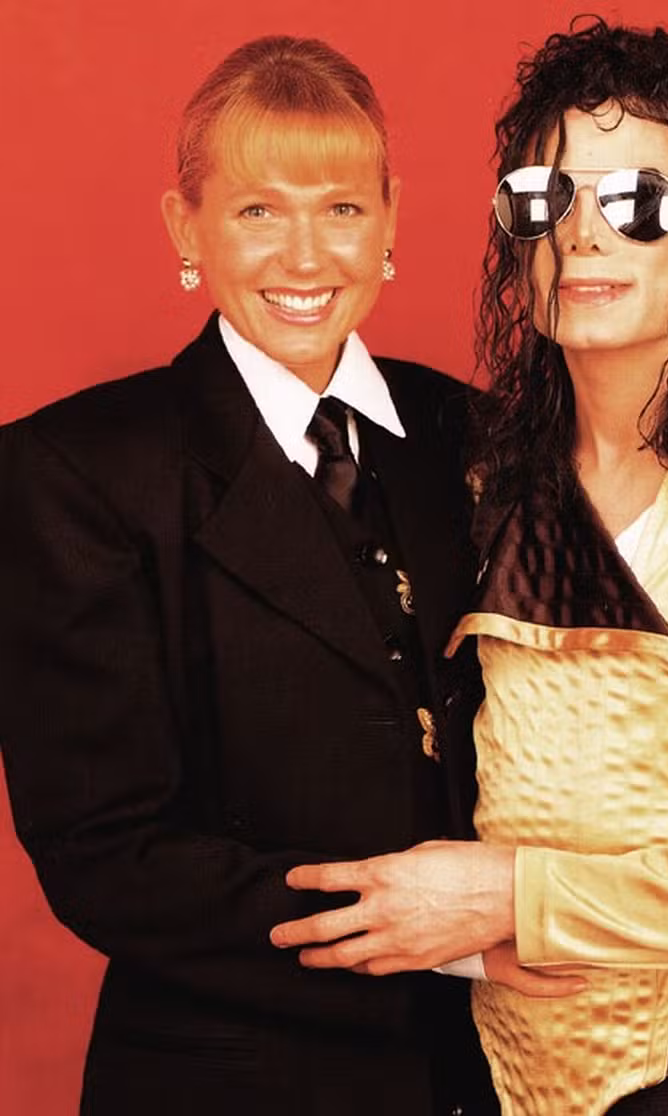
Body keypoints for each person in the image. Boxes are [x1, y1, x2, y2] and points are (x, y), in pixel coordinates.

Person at [267, 17, 668, 1116]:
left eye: (637, 202)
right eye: (544, 199)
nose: (583, 235)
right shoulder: (484, 475)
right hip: (488, 1078)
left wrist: (524, 897)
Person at [0, 35, 499, 1116]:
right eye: (258, 210)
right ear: (186, 227)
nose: (305, 257)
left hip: (492, 1077)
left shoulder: (476, 435)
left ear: (392, 219)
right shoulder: (73, 472)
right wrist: (436, 932)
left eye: (342, 208)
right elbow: (106, 852)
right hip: (227, 1080)